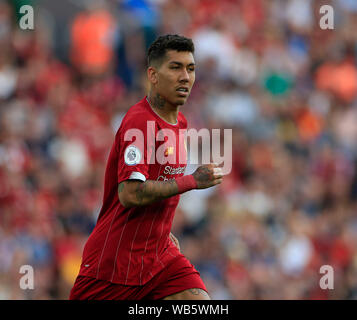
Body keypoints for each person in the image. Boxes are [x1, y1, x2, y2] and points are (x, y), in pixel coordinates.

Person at [69, 34, 224, 300]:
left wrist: (160, 230)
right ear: (153, 75)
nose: (185, 76)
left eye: (190, 68)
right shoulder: (139, 122)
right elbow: (130, 194)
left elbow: (160, 180)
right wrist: (192, 181)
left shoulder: (181, 124)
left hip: (158, 255)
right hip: (115, 262)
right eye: (175, 67)